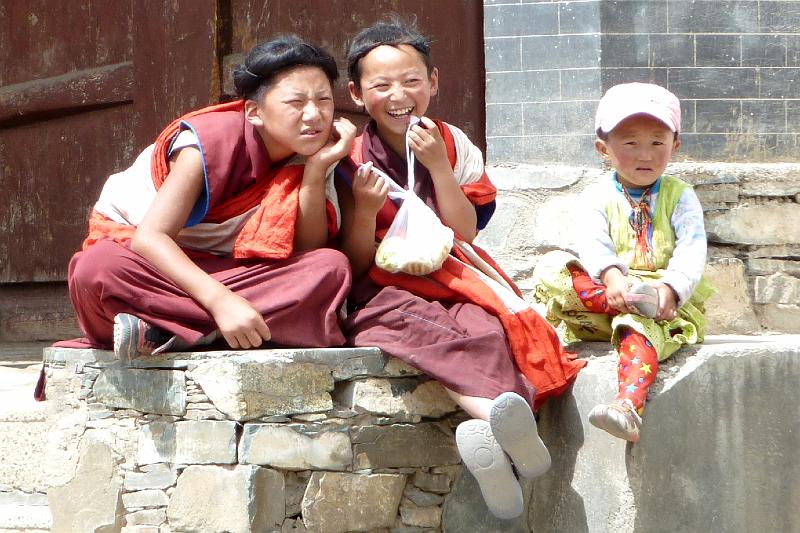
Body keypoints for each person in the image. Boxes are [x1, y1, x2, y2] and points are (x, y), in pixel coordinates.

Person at [335, 19, 585, 519]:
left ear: (434, 82)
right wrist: (363, 210)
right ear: (357, 94)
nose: (398, 95)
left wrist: (440, 171)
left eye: (411, 81)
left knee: (489, 329)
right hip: (381, 285)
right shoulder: (349, 160)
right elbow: (354, 261)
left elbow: (464, 231)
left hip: (452, 272)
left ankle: (497, 431)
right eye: (381, 85)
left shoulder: (450, 143)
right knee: (418, 325)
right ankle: (508, 430)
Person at [54, 35, 355, 360]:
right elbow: (149, 239)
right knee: (95, 268)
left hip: (225, 273)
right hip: (152, 267)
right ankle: (219, 326)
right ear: (254, 112)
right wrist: (221, 302)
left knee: (330, 267)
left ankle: (168, 332)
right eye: (296, 103)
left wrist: (315, 170)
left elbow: (308, 250)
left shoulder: (318, 151)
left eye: (323, 101)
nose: (314, 115)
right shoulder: (209, 142)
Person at [532, 82, 715, 443]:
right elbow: (593, 242)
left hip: (662, 307)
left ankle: (628, 406)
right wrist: (613, 278)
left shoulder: (681, 196)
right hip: (607, 296)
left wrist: (670, 289)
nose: (645, 154)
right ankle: (626, 299)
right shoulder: (596, 196)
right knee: (552, 267)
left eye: (657, 142)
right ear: (604, 148)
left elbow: (693, 248)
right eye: (631, 143)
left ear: (674, 145)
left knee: (636, 325)